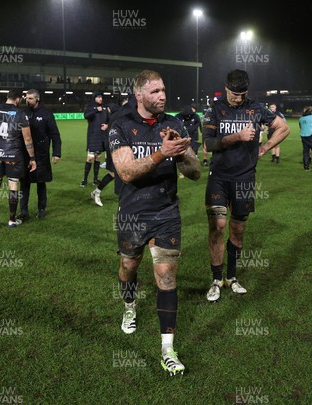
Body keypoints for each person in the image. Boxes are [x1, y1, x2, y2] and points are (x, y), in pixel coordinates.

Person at [110, 70, 200, 376]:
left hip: (166, 213)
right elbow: (125, 172)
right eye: (155, 91)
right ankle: (130, 307)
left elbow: (195, 172)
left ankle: (167, 350)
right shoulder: (120, 125)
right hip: (132, 213)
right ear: (139, 95)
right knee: (128, 267)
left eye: (164, 90)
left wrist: (182, 153)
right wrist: (163, 153)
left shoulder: (173, 124)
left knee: (166, 277)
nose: (163, 96)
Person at [203, 69, 290, 303]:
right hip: (219, 177)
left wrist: (264, 148)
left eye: (242, 94)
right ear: (226, 88)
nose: (238, 98)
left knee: (238, 232)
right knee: (218, 226)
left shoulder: (256, 109)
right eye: (234, 94)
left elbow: (284, 128)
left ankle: (231, 277)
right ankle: (215, 279)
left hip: (244, 178)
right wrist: (237, 137)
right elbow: (208, 144)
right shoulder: (215, 110)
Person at [0, 90, 36, 229]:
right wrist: (32, 158)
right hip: (14, 156)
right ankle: (12, 220)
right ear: (17, 99)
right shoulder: (21, 114)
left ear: (7, 97)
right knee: (13, 185)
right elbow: (27, 138)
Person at [19, 89, 62, 220]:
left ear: (37, 99)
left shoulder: (47, 114)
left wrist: (56, 153)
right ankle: (23, 211)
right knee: (24, 184)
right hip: (25, 154)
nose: (27, 100)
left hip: (41, 155)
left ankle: (41, 209)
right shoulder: (23, 112)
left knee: (40, 183)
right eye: (26, 98)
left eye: (30, 98)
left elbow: (55, 135)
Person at [90, 95, 128, 207]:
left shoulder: (121, 114)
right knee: (114, 173)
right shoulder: (120, 115)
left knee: (124, 172)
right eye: (127, 103)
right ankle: (97, 192)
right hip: (115, 147)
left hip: (120, 147)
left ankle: (128, 197)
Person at [81, 92, 109, 187]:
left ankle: (95, 179)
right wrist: (96, 110)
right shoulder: (91, 107)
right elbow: (86, 115)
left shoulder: (105, 108)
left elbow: (109, 119)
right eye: (98, 97)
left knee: (98, 158)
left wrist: (107, 125)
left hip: (102, 137)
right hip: (93, 137)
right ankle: (84, 179)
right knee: (90, 158)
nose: (100, 99)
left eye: (101, 97)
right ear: (94, 98)